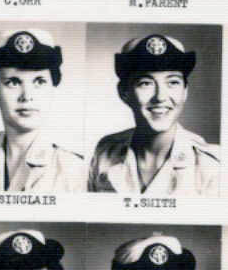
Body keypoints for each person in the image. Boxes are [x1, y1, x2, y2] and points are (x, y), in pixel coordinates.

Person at [87, 31, 220, 196]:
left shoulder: (211, 166)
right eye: (145, 83)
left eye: (173, 82)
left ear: (185, 91)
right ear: (124, 93)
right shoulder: (105, 153)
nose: (160, 97)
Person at [0, 27, 86, 194]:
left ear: (53, 87)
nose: (27, 96)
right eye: (13, 82)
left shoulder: (75, 169)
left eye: (39, 82)